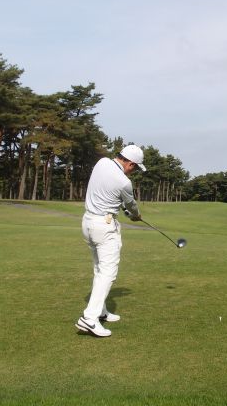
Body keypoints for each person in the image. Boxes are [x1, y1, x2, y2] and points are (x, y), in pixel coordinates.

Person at [75, 144, 146, 337]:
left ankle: (101, 311)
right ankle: (89, 318)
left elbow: (109, 192)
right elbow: (131, 205)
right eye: (135, 168)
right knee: (108, 273)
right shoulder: (124, 182)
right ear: (130, 164)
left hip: (88, 222)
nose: (133, 172)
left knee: (99, 269)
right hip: (104, 227)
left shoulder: (102, 162)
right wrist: (136, 215)